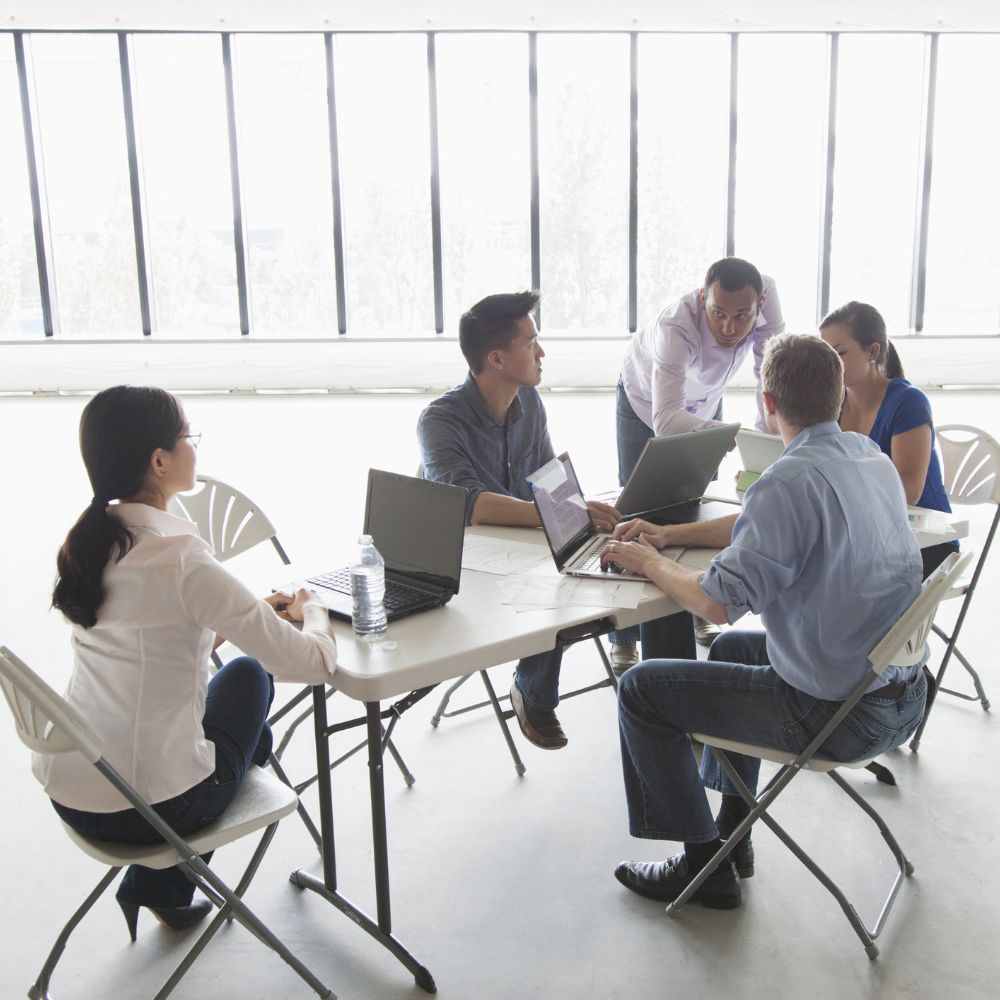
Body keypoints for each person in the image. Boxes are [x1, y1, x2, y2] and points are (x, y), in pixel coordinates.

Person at [601, 334, 927, 910]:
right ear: (840, 396)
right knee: (729, 651)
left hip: (835, 716)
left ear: (767, 402)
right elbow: (763, 524)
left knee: (639, 690)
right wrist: (670, 535)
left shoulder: (785, 481)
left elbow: (715, 603)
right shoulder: (869, 459)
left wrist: (649, 561)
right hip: (898, 698)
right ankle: (735, 836)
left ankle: (702, 866)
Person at [35, 386, 337, 938]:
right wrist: (313, 610)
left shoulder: (88, 544)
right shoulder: (181, 561)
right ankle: (161, 880)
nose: (195, 447)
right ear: (158, 461)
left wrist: (235, 617)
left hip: (73, 792)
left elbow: (150, 638)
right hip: (148, 810)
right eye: (188, 438)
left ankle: (163, 887)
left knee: (228, 702)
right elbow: (313, 664)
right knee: (248, 675)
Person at [417, 290, 694, 750]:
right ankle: (533, 692)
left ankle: (675, 703)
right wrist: (561, 515)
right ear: (497, 358)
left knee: (639, 562)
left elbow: (548, 480)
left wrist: (585, 512)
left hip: (520, 545)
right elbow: (467, 504)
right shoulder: (439, 420)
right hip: (464, 560)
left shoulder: (529, 404)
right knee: (559, 580)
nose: (541, 352)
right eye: (531, 342)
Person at [612, 257, 785, 660]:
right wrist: (726, 434)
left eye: (742, 316)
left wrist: (769, 445)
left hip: (707, 397)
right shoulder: (675, 328)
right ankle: (624, 638)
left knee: (695, 505)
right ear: (701, 296)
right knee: (639, 511)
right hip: (647, 402)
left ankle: (693, 597)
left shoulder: (769, 296)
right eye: (718, 313)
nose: (729, 327)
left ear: (760, 303)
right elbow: (666, 419)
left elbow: (768, 375)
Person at [820, 301, 957, 579]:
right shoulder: (833, 402)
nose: (830, 364)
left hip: (924, 539)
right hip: (865, 530)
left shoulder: (908, 402)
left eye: (840, 353)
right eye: (824, 354)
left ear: (872, 351)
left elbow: (908, 492)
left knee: (824, 572)